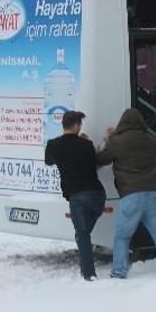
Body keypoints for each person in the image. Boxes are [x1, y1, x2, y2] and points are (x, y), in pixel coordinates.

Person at [96, 108, 156, 279]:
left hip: (131, 195)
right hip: (154, 193)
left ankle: (118, 271)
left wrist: (106, 141)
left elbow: (101, 159)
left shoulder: (116, 142)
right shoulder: (150, 139)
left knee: (123, 237)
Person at [45, 111, 106, 281]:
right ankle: (86, 270)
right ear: (77, 126)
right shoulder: (86, 145)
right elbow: (95, 163)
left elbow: (48, 161)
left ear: (63, 125)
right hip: (98, 195)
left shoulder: (53, 145)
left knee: (83, 234)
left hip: (77, 196)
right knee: (83, 233)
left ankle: (89, 273)